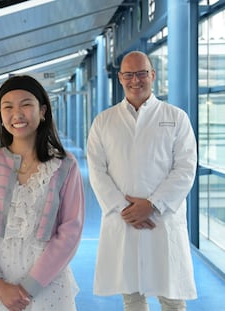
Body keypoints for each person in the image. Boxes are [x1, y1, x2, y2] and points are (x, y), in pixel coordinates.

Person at [0, 75, 85, 311]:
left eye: (26, 104)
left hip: (46, 284)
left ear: (43, 111)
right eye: (8, 107)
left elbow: (70, 231)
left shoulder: (65, 166)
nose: (17, 114)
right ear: (0, 115)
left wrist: (28, 288)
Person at [87, 50, 197, 311]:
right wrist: (124, 208)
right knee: (132, 295)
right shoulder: (104, 121)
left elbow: (185, 168)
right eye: (129, 74)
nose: (135, 80)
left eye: (141, 73)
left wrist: (153, 205)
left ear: (153, 75)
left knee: (172, 296)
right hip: (123, 220)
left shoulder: (176, 117)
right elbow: (96, 169)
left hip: (162, 218)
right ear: (120, 78)